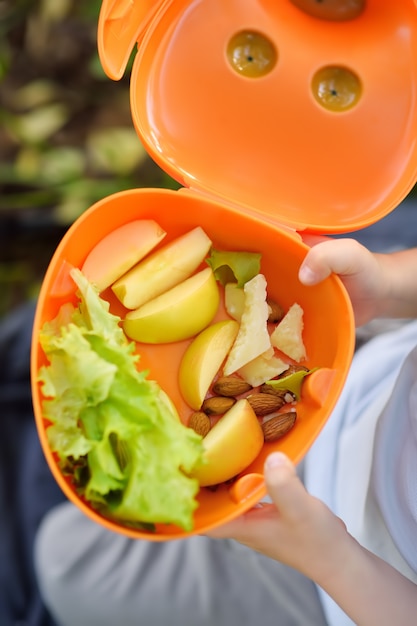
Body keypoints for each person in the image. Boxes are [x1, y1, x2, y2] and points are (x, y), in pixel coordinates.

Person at [34, 236, 417, 626]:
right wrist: (390, 286)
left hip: (339, 577)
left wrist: (332, 560)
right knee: (64, 544)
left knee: (61, 558)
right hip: (365, 374)